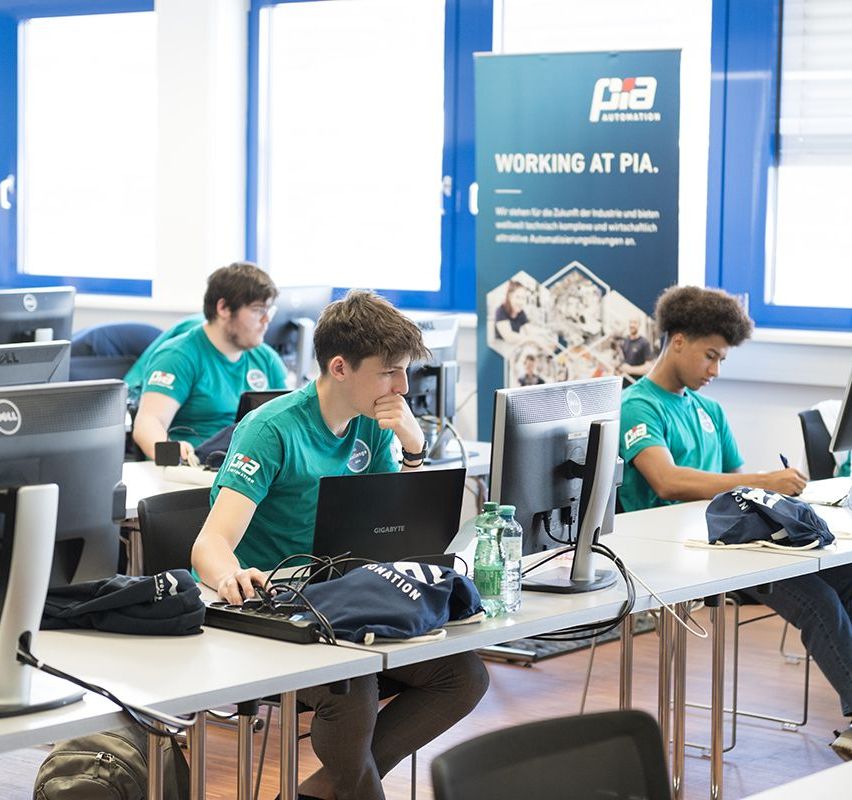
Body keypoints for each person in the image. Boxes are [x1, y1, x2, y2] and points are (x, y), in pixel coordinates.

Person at [191, 290, 489, 800]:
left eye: (405, 373)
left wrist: (414, 450)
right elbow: (211, 542)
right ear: (340, 368)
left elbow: (399, 535)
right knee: (353, 688)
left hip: (348, 603)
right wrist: (227, 576)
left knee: (464, 675)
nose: (401, 387)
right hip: (277, 612)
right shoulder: (271, 431)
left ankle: (324, 791)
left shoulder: (372, 427)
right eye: (389, 372)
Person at [619, 284, 852, 760]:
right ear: (677, 340)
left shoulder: (709, 410)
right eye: (711, 356)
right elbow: (667, 482)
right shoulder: (637, 406)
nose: (715, 371)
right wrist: (764, 478)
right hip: (672, 556)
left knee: (845, 577)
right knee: (815, 599)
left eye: (721, 360)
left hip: (725, 547)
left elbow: (738, 486)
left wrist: (771, 490)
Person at [132, 262, 286, 463]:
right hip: (197, 468)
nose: (266, 320)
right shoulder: (178, 356)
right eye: (258, 310)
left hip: (249, 469)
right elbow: (148, 423)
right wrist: (173, 456)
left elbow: (287, 419)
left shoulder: (266, 358)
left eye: (269, 311)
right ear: (223, 308)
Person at [493, 280, 554, 349]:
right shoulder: (501, 310)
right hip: (500, 348)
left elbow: (528, 328)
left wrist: (545, 332)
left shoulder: (520, 312)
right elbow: (509, 336)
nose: (520, 302)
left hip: (513, 347)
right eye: (517, 297)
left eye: (523, 298)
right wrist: (532, 339)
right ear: (509, 296)